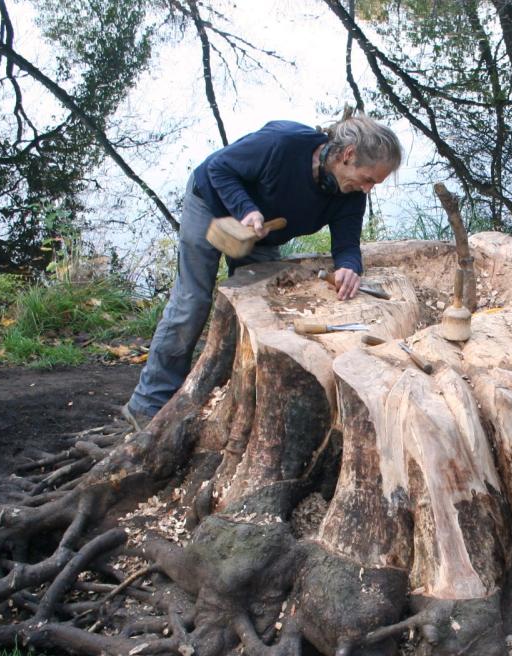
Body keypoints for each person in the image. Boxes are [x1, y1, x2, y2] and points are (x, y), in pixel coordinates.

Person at [121, 114, 403, 428]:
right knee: (192, 302)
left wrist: (349, 268)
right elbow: (219, 169)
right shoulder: (284, 143)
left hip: (261, 232)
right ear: (347, 155)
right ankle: (148, 402)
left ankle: (231, 394)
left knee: (259, 312)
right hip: (211, 205)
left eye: (373, 184)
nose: (366, 189)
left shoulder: (349, 194)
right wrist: (246, 209)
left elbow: (347, 244)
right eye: (368, 179)